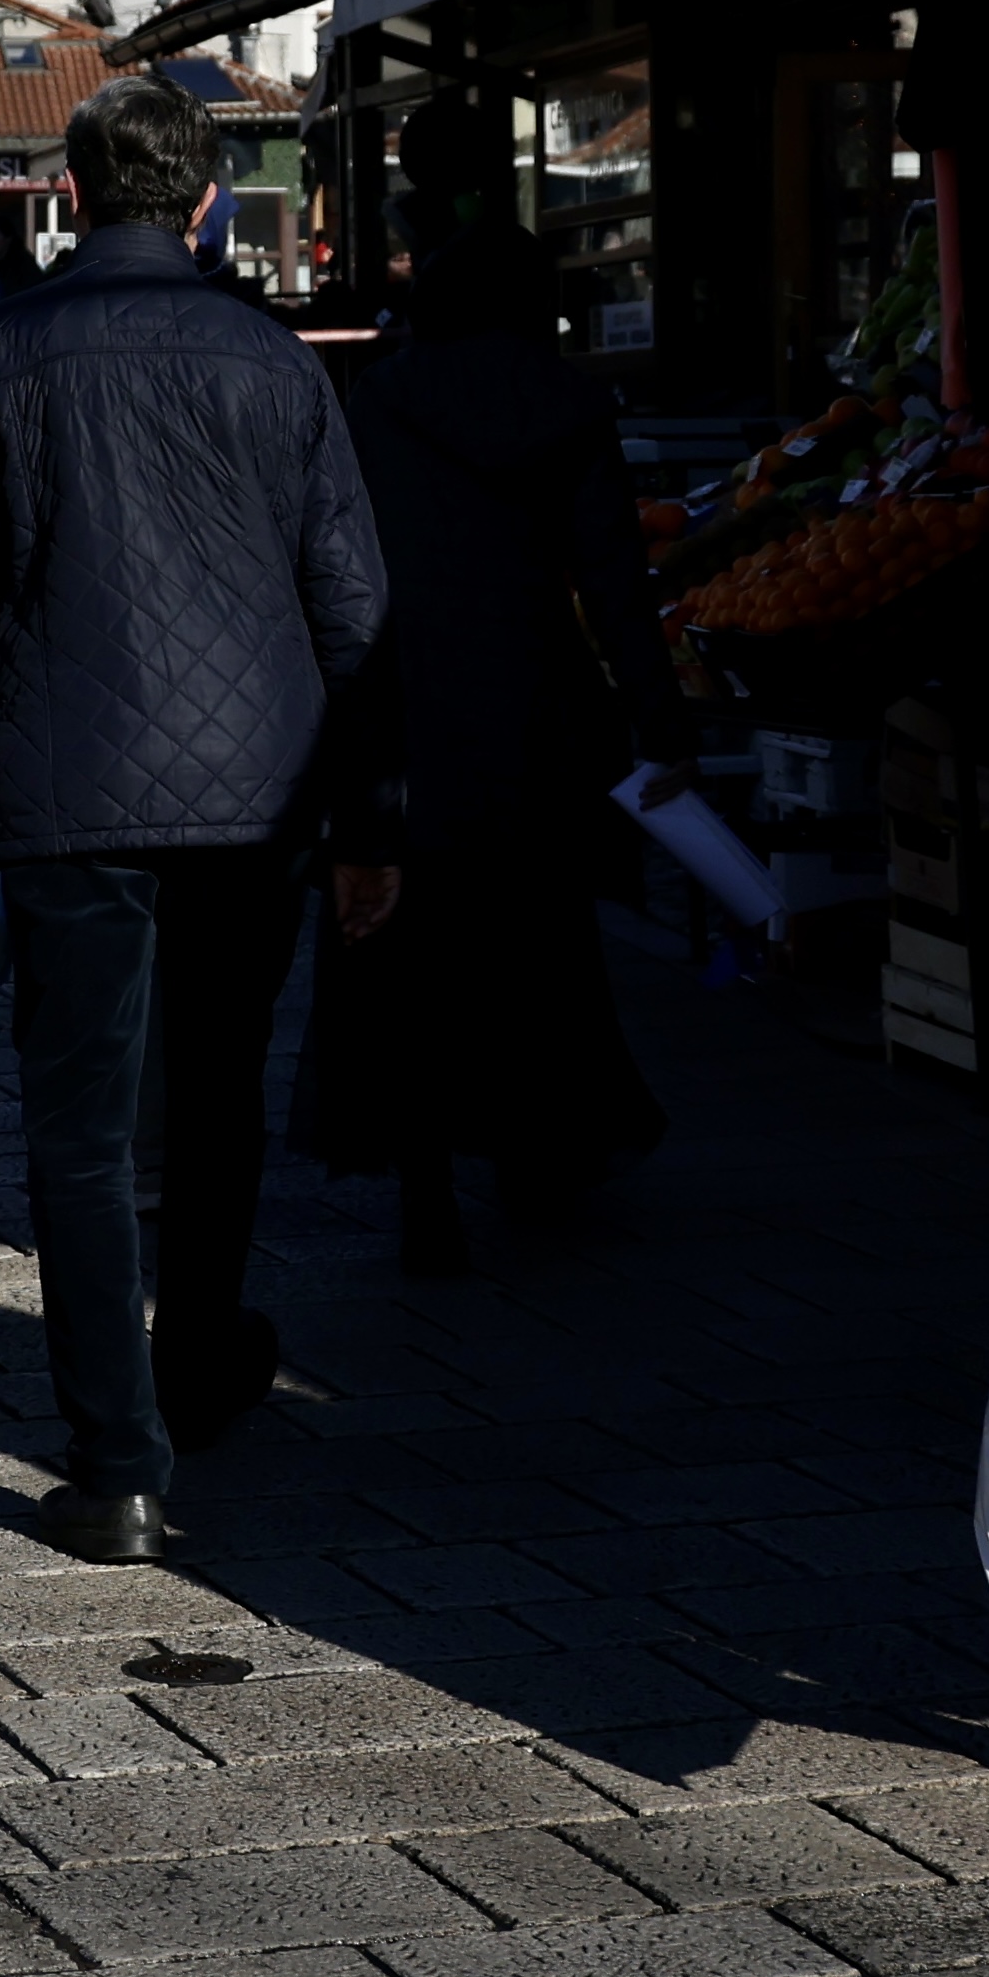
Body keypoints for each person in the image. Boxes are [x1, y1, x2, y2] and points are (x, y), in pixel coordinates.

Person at [0, 80, 397, 1572]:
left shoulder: (4, 351)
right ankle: (203, 1360)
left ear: (75, 195)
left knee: (81, 1128)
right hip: (258, 791)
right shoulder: (272, 358)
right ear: (206, 201)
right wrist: (374, 816)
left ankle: (116, 1468)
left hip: (66, 784)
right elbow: (354, 608)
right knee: (219, 1095)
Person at [311, 219, 679, 1273]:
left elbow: (343, 559)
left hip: (406, 698)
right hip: (534, 701)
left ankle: (425, 1190)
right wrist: (660, 719)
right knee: (533, 942)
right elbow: (613, 577)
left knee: (414, 953)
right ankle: (535, 1152)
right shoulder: (569, 401)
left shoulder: (381, 399)